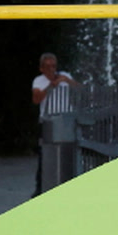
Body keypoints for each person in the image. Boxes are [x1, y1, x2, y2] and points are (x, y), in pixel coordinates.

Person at [31, 53, 77, 196]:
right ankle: (41, 187)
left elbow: (80, 90)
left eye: (54, 66)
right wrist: (50, 86)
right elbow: (36, 99)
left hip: (66, 120)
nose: (52, 69)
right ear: (42, 68)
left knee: (70, 152)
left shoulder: (64, 76)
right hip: (48, 121)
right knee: (45, 155)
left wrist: (67, 81)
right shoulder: (39, 81)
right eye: (48, 66)